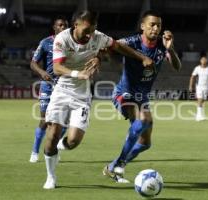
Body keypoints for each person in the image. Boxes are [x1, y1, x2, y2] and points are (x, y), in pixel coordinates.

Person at [43, 10, 153, 189]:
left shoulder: (97, 37)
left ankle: (62, 145)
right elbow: (56, 68)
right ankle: (51, 176)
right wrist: (79, 73)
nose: (90, 34)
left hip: (82, 95)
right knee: (52, 134)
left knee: (73, 141)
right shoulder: (62, 39)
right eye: (87, 29)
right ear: (76, 25)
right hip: (62, 90)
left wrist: (142, 57)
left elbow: (118, 46)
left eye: (93, 29)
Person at [103, 10, 182, 183]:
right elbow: (114, 45)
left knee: (145, 143)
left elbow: (177, 66)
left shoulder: (162, 44)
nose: (155, 28)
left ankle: (112, 167)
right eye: (152, 24)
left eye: (158, 25)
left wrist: (171, 49)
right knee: (144, 119)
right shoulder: (133, 41)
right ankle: (120, 165)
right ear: (142, 26)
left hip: (142, 97)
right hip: (124, 93)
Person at [29, 16, 68, 163]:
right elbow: (33, 63)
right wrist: (42, 72)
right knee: (45, 120)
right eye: (60, 25)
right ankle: (34, 151)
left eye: (65, 25)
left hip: (64, 86)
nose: (63, 27)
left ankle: (54, 146)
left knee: (64, 122)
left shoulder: (71, 43)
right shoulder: (46, 42)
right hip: (49, 85)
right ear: (54, 27)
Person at [189, 56, 208, 121]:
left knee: (203, 101)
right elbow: (192, 77)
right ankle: (198, 116)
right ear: (200, 61)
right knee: (200, 100)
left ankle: (201, 114)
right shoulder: (197, 68)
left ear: (206, 61)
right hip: (199, 86)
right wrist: (190, 86)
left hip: (206, 86)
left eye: (205, 60)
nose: (203, 61)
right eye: (202, 60)